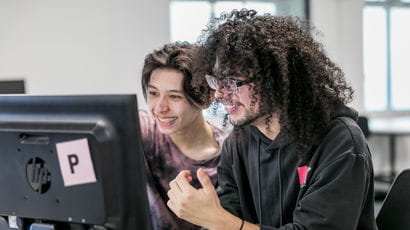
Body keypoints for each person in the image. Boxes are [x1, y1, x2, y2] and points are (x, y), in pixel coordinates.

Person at [166, 10, 377, 230]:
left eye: (230, 82)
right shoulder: (239, 141)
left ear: (273, 81)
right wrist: (203, 213)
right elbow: (227, 214)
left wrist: (219, 221)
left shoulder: (341, 142)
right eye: (215, 81)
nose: (219, 94)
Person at [139, 43, 227, 230]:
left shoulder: (229, 157)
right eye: (154, 93)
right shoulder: (142, 128)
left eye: (174, 97)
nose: (160, 107)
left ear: (206, 98)